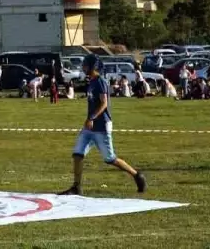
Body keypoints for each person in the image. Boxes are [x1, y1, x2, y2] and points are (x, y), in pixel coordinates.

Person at [59, 55, 146, 196]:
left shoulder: (100, 82)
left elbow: (104, 103)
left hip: (101, 126)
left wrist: (91, 118)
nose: (83, 67)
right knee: (77, 154)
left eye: (86, 65)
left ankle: (137, 175)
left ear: (93, 66)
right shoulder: (92, 82)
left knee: (110, 159)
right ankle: (76, 187)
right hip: (90, 127)